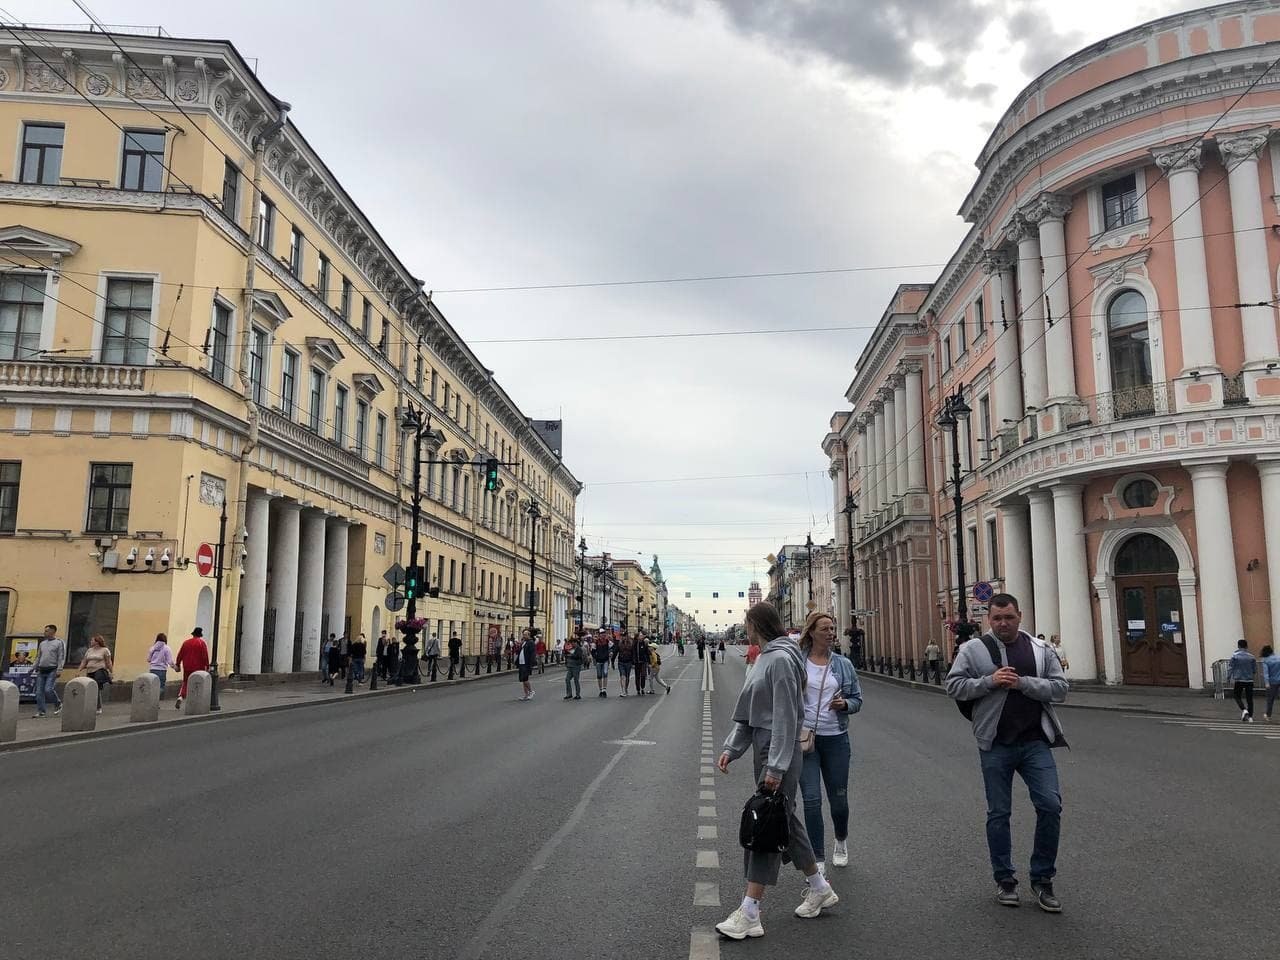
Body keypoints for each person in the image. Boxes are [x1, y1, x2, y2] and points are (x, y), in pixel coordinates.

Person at [716, 602, 837, 941]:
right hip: (766, 748)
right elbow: (749, 712)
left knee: (765, 824)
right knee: (785, 820)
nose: (745, 627)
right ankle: (819, 887)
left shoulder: (782, 660)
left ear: (757, 624)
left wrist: (776, 766)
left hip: (777, 751)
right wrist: (731, 748)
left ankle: (750, 911)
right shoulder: (763, 657)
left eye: (747, 622)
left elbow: (786, 717)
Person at [946, 593, 1068, 913]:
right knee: (999, 814)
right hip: (996, 744)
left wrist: (1022, 684)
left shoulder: (1040, 649)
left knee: (1050, 805)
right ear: (989, 618)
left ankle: (1042, 879)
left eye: (1009, 617)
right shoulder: (973, 649)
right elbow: (954, 686)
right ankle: (1005, 879)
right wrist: (990, 681)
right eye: (997, 618)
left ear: (1020, 616)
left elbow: (1060, 689)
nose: (1003, 623)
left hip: (1035, 742)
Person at [797, 612, 862, 876]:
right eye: (825, 628)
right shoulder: (797, 662)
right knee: (811, 800)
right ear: (811, 632)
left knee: (839, 799)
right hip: (806, 740)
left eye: (833, 628)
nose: (831, 632)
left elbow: (857, 699)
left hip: (836, 738)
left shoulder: (843, 665)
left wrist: (845, 704)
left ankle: (841, 840)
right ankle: (818, 858)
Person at [33, 624, 66, 719]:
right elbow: (38, 656)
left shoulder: (59, 643)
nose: (45, 632)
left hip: (52, 669)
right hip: (41, 669)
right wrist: (34, 667)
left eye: (47, 631)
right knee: (39, 692)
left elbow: (61, 657)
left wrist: (59, 669)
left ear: (52, 632)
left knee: (48, 689)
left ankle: (58, 703)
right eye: (45, 631)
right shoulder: (42, 644)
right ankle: (41, 711)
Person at [175, 627, 210, 711]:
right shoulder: (201, 643)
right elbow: (205, 656)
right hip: (198, 667)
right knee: (197, 684)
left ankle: (181, 696)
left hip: (187, 666)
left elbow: (180, 654)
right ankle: (194, 701)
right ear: (200, 635)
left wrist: (178, 664)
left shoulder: (186, 643)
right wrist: (207, 667)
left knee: (185, 682)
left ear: (193, 634)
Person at [1228, 639, 1257, 722]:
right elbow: (1254, 669)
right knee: (1250, 699)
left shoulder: (1235, 656)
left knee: (1237, 696)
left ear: (1238, 646)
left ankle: (1244, 710)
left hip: (1239, 679)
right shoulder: (1252, 657)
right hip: (1249, 680)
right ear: (1246, 646)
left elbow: (1231, 667)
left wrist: (1228, 677)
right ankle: (1250, 717)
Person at [148, 633, 175, 698]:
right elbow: (170, 661)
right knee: (161, 687)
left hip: (152, 670)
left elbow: (149, 660)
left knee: (153, 687)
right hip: (162, 671)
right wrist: (175, 667)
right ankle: (154, 700)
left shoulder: (152, 648)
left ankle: (150, 701)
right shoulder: (167, 648)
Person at [564, 633, 587, 700]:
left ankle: (578, 694)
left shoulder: (579, 649)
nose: (573, 644)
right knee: (567, 679)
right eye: (572, 643)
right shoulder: (571, 648)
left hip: (576, 666)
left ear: (576, 643)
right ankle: (569, 694)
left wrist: (572, 655)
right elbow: (567, 655)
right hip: (570, 666)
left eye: (574, 643)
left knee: (576, 680)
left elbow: (578, 656)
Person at [517, 628, 537, 701]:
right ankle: (526, 695)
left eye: (525, 634)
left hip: (526, 663)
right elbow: (520, 651)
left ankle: (531, 691)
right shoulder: (524, 642)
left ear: (529, 635)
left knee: (525, 679)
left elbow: (532, 653)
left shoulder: (531, 642)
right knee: (522, 679)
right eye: (523, 634)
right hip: (521, 663)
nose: (523, 636)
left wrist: (531, 663)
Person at [1262, 645, 1280, 722]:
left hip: (1272, 682)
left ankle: (1268, 715)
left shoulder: (1265, 660)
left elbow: (1266, 673)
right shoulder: (1279, 658)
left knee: (1270, 699)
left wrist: (1266, 683)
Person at [592, 630, 611, 697]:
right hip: (598, 661)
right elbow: (593, 651)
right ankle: (601, 690)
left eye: (604, 634)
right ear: (599, 635)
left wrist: (610, 653)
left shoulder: (607, 641)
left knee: (605, 674)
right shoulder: (596, 642)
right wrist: (595, 658)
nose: (603, 635)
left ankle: (604, 690)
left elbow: (613, 647)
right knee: (599, 675)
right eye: (602, 634)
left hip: (605, 660)